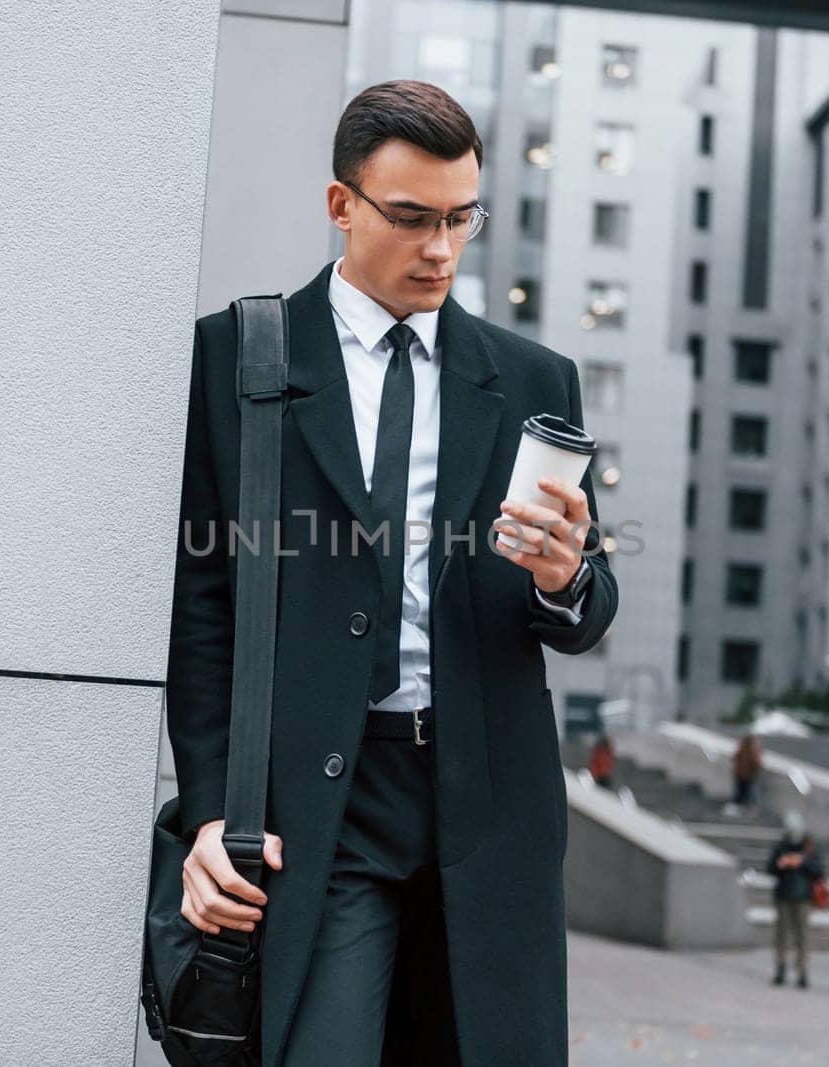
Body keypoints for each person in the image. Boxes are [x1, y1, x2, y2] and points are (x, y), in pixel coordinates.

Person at [165, 80, 618, 1066]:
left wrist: (564, 575)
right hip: (322, 800)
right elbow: (205, 610)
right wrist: (206, 809)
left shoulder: (535, 381)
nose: (442, 250)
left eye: (462, 218)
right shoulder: (239, 360)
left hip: (489, 799)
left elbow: (586, 611)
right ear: (342, 206)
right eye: (412, 219)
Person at [767, 809, 822, 989]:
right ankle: (781, 967)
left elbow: (818, 870)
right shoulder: (781, 847)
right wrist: (782, 864)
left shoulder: (808, 848)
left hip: (803, 897)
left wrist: (801, 862)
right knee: (782, 934)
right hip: (783, 896)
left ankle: (802, 970)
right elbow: (770, 868)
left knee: (802, 935)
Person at [732, 734, 763, 809]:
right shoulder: (748, 751)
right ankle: (742, 804)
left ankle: (744, 804)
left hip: (745, 775)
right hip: (743, 774)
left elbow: (756, 764)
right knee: (743, 790)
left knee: (745, 790)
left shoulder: (750, 751)